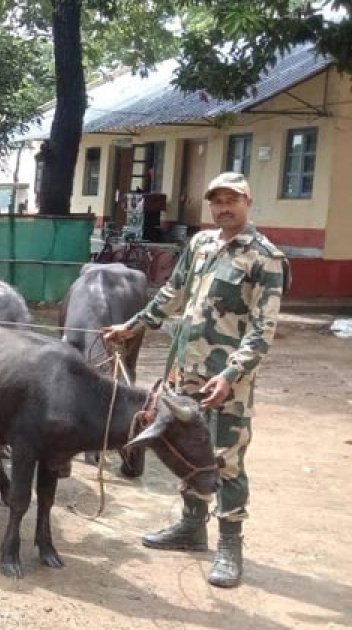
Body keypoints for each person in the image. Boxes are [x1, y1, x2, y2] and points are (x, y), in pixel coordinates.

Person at [103, 172, 288, 588]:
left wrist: (229, 375)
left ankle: (229, 545)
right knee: (187, 449)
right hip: (184, 374)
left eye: (232, 200)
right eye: (217, 201)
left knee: (226, 458)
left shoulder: (265, 258)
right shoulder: (201, 244)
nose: (224, 207)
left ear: (248, 201)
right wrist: (132, 326)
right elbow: (172, 293)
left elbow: (262, 331)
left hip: (225, 384)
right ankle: (190, 527)